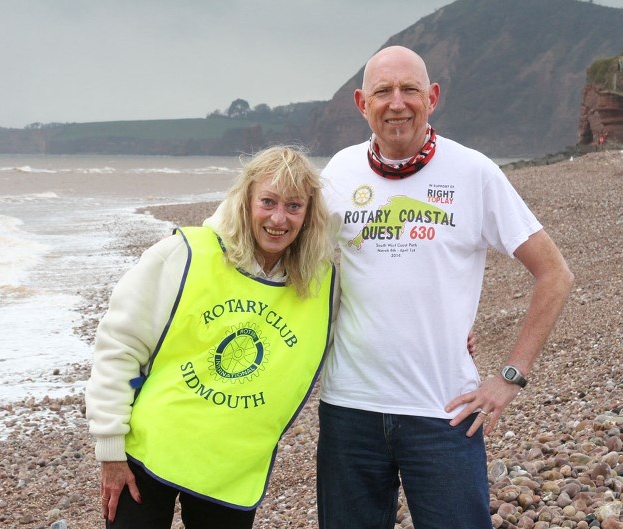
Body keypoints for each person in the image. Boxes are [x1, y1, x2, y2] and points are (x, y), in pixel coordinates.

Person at [316, 46, 574, 529]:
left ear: (431, 97)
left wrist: (510, 377)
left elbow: (555, 274)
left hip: (445, 413)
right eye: (383, 91)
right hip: (349, 410)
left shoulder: (473, 173)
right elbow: (302, 271)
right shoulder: (338, 173)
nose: (397, 103)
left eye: (410, 90)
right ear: (361, 102)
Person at [85, 145, 337, 529]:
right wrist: (110, 449)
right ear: (245, 200)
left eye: (293, 206)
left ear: (309, 213)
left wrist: (455, 339)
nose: (278, 218)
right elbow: (119, 345)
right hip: (149, 452)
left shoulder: (322, 285)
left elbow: (369, 328)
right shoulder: (183, 254)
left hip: (233, 467)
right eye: (267, 202)